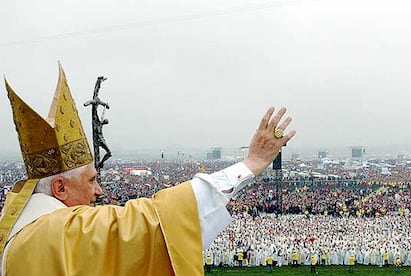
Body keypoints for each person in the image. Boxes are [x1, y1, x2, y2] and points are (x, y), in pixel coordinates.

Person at [0, 64, 295, 275]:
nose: (98, 190)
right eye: (90, 180)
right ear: (59, 188)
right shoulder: (55, 233)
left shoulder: (21, 226)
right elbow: (153, 224)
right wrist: (250, 164)